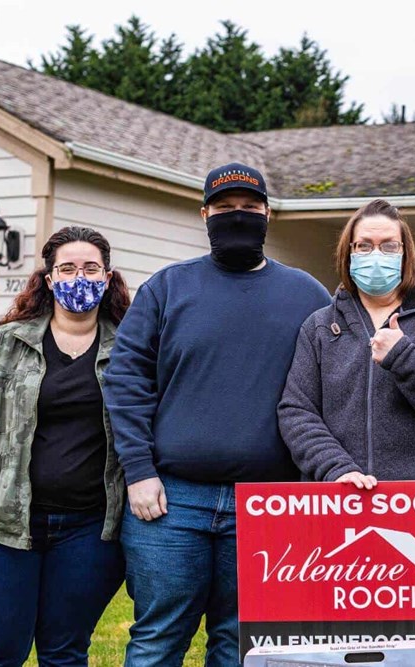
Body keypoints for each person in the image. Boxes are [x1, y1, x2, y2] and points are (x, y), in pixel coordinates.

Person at [102, 163, 331, 666]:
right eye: (225, 209)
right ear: (204, 214)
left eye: (249, 209)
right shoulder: (167, 289)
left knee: (242, 642)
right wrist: (139, 471)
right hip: (170, 500)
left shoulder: (308, 295)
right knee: (159, 638)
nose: (238, 217)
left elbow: (336, 383)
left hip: (269, 503)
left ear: (268, 214)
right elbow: (126, 382)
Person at [0, 226, 130, 667]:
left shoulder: (130, 348)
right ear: (49, 279)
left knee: (64, 652)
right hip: (4, 525)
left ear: (107, 278)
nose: (79, 277)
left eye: (91, 268)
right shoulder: (7, 344)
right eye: (66, 268)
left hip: (90, 530)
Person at [278, 198, 415, 487]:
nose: (375, 254)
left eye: (388, 246)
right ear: (348, 253)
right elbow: (297, 411)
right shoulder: (320, 326)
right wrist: (335, 468)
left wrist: (405, 359)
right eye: (364, 245)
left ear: (405, 254)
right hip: (341, 500)